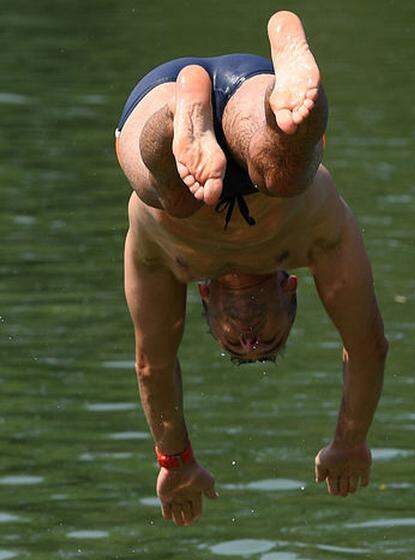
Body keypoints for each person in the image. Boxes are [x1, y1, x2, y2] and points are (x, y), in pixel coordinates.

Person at [115, 11, 388, 526]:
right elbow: (367, 343)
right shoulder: (314, 242)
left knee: (168, 197)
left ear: (205, 298)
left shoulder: (171, 266)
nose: (248, 338)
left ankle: (180, 117)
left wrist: (175, 462)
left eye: (235, 345)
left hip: (155, 107)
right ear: (290, 291)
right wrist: (350, 441)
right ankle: (290, 93)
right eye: (266, 342)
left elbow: (152, 364)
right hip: (251, 95)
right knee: (283, 170)